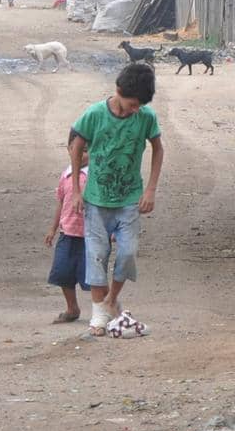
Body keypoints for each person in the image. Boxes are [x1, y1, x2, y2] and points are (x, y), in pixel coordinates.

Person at [69, 63, 163, 335]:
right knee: (96, 255)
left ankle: (111, 300)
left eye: (140, 106)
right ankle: (99, 314)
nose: (136, 110)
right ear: (119, 91)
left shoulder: (146, 117)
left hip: (130, 199)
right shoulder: (95, 114)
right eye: (132, 104)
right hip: (96, 200)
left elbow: (158, 149)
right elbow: (76, 147)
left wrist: (151, 189)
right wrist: (76, 189)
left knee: (128, 252)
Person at [45, 129, 90, 323]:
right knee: (63, 272)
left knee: (93, 275)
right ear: (68, 149)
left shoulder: (95, 176)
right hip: (67, 232)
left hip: (90, 235)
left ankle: (107, 307)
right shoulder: (66, 175)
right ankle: (72, 308)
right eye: (76, 149)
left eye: (86, 150)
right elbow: (61, 202)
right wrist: (53, 229)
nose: (80, 154)